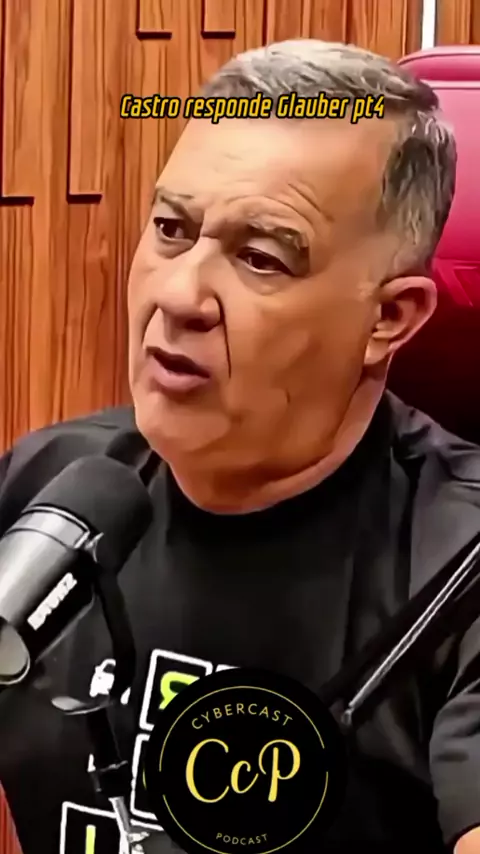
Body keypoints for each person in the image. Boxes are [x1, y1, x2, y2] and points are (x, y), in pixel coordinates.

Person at [0, 37, 479, 854]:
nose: (179, 294)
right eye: (170, 229)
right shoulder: (47, 490)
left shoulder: (460, 567)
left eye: (261, 258)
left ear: (389, 317)